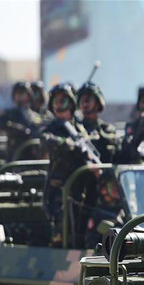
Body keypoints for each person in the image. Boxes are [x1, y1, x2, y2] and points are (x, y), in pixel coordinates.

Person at [40, 83, 99, 247]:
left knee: (80, 228)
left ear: (72, 104)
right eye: (56, 102)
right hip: (59, 188)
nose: (60, 106)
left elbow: (88, 149)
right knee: (61, 232)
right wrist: (70, 145)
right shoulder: (52, 126)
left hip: (79, 187)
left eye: (64, 101)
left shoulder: (78, 127)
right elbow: (46, 139)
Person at [0, 81, 43, 161]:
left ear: (29, 95)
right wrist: (15, 128)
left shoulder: (34, 115)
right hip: (15, 153)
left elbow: (40, 129)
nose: (20, 96)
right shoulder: (10, 113)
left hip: (31, 154)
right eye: (18, 93)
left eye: (23, 93)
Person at [77, 82, 118, 163]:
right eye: (82, 100)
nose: (84, 103)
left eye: (88, 100)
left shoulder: (106, 129)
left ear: (97, 103)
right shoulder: (75, 128)